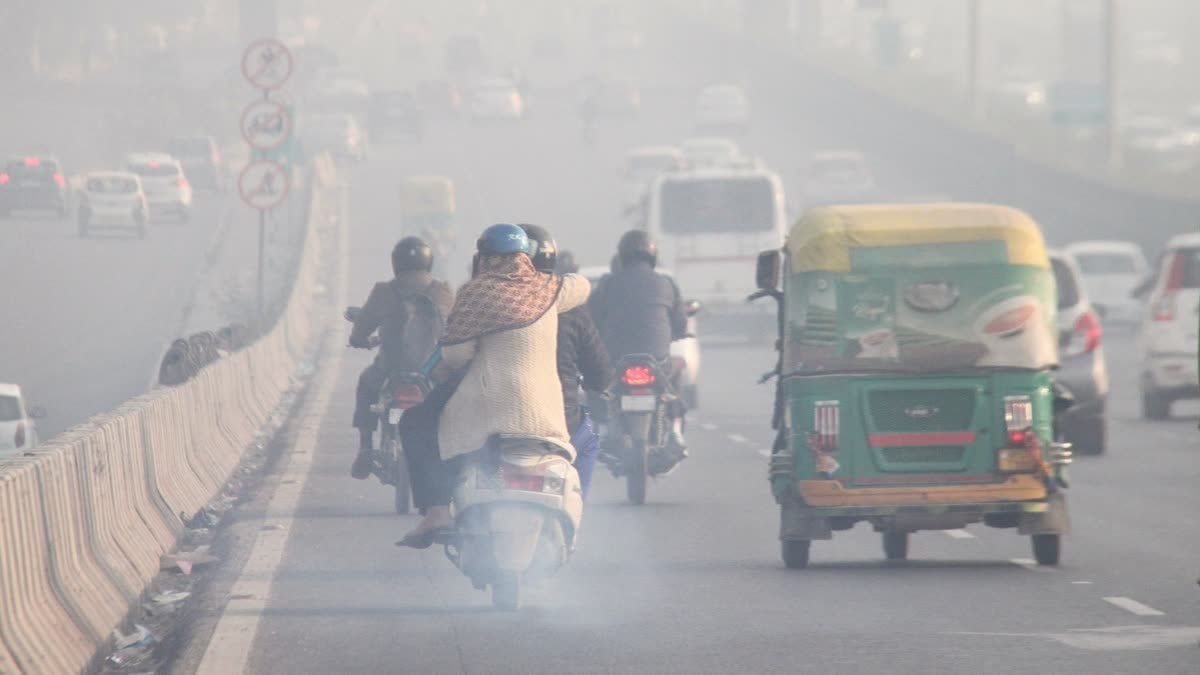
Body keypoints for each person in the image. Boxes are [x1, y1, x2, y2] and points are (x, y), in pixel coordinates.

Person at [397, 224, 591, 547]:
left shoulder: (476, 293)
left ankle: (437, 510)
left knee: (417, 422)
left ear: (483, 258)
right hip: (546, 415)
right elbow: (582, 286)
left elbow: (457, 356)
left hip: (491, 411)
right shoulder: (549, 289)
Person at [348, 236, 454, 480]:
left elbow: (361, 328)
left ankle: (365, 448)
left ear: (396, 263)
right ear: (429, 262)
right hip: (432, 372)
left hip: (389, 369)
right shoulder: (442, 291)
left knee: (365, 385)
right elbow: (457, 327)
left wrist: (359, 339)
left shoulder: (383, 291)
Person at [519, 228, 611, 499]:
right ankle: (574, 514)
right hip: (561, 422)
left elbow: (456, 359)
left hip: (497, 424)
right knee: (588, 444)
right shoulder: (571, 306)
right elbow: (599, 372)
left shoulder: (485, 302)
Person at [588, 230, 689, 449]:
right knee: (676, 376)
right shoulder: (667, 284)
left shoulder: (607, 284)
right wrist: (677, 332)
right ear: (652, 256)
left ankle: (603, 430)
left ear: (622, 255)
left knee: (595, 385)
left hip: (615, 361)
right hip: (658, 361)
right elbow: (680, 323)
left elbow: (591, 319)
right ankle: (677, 431)